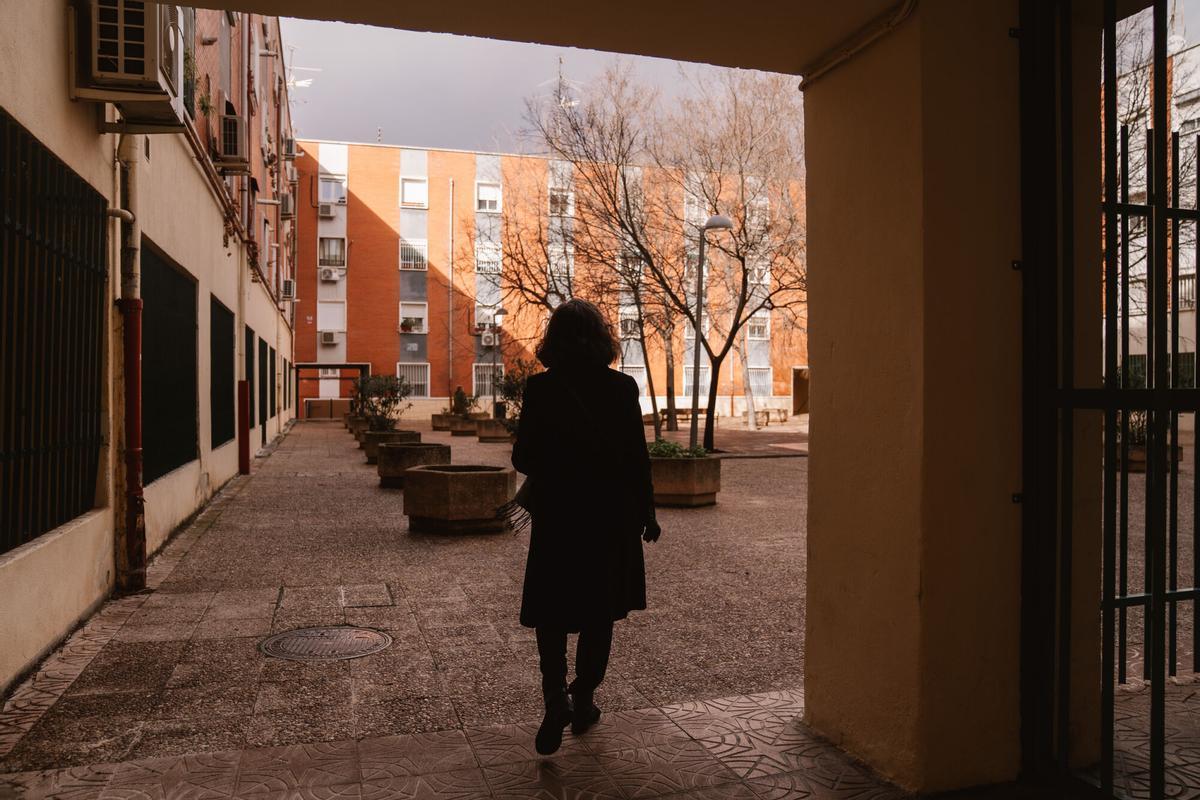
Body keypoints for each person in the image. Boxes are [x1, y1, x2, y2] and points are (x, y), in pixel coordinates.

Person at [511, 298, 662, 755]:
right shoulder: (622, 388)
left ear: (552, 340)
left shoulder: (540, 390)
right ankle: (585, 697)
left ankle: (554, 698)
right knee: (601, 610)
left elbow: (523, 458)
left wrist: (559, 463)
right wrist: (648, 512)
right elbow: (637, 457)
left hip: (559, 518)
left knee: (553, 611)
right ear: (602, 339)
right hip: (609, 516)